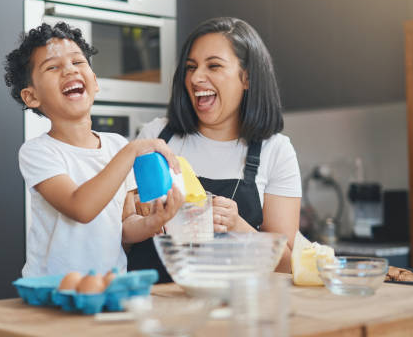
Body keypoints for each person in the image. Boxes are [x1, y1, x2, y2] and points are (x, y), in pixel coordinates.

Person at [4, 22, 184, 277]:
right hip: (54, 290)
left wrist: (152, 222)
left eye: (77, 62)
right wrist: (131, 152)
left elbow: (123, 227)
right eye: (53, 67)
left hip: (110, 285)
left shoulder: (116, 146)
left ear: (95, 82)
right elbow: (81, 208)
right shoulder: (38, 152)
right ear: (32, 97)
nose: (69, 71)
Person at [128, 17, 301, 281]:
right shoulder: (156, 137)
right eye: (191, 67)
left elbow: (287, 264)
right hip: (154, 303)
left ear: (247, 78)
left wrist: (237, 226)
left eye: (214, 66)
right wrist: (145, 215)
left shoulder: (275, 151)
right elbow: (121, 233)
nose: (196, 78)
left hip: (233, 308)